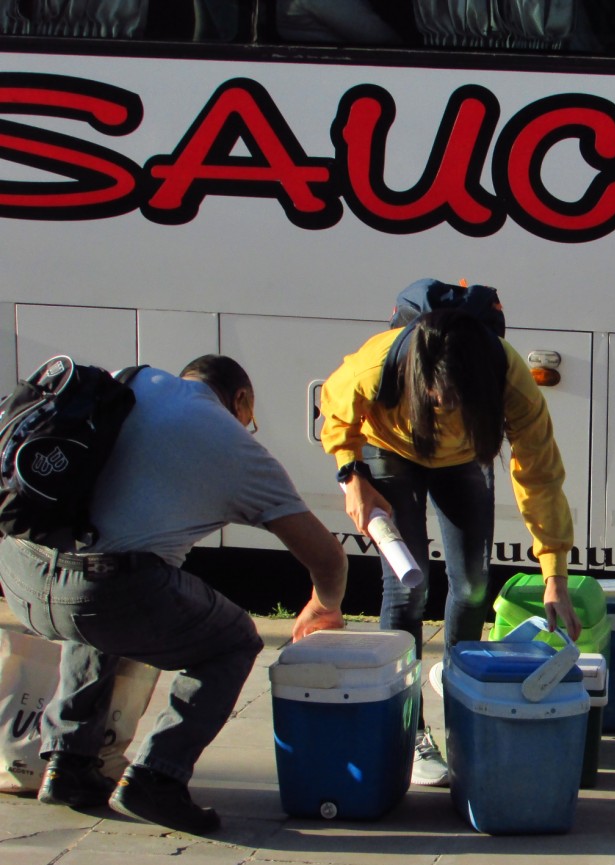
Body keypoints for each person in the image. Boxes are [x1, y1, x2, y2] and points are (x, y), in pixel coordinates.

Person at [0, 355, 347, 834]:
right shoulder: (231, 444)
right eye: (251, 418)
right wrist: (323, 605)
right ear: (241, 400)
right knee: (234, 641)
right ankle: (155, 778)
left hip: (18, 569)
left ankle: (68, 763)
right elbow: (328, 558)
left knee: (107, 603)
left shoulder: (132, 381)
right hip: (99, 591)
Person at [320, 279, 582, 787]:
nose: (446, 407)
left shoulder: (510, 380)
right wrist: (350, 474)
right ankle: (409, 730)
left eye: (459, 402)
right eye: (438, 399)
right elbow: (335, 408)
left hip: (463, 462)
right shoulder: (379, 365)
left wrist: (555, 573)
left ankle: (464, 709)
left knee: (473, 585)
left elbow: (541, 477)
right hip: (391, 450)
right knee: (407, 585)